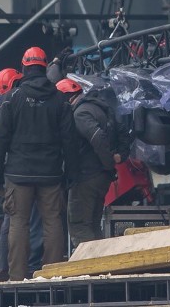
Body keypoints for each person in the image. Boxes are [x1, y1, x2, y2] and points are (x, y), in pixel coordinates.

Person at [0, 47, 79, 280]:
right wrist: (71, 173)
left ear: (24, 68)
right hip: (51, 174)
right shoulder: (61, 101)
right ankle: (52, 276)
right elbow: (70, 141)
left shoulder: (11, 99)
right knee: (52, 222)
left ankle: (17, 277)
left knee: (18, 223)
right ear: (44, 66)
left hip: (18, 175)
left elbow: (0, 139)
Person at [56, 78, 130, 247]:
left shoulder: (80, 113)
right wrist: (120, 156)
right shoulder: (102, 108)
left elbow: (97, 137)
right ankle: (100, 266)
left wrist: (108, 163)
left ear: (67, 98)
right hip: (101, 177)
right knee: (93, 224)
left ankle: (89, 267)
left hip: (86, 175)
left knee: (79, 225)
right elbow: (123, 132)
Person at [0, 68, 44, 277]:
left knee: (11, 221)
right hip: (24, 172)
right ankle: (31, 267)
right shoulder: (14, 104)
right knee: (31, 220)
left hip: (10, 174)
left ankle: (7, 269)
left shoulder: (3, 105)